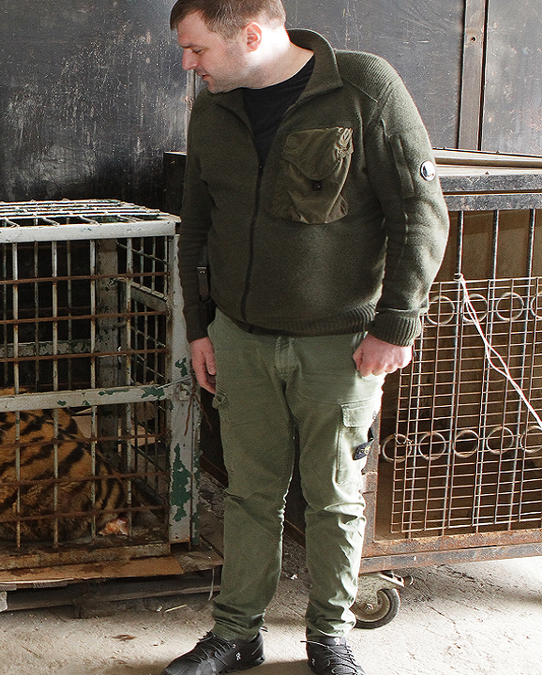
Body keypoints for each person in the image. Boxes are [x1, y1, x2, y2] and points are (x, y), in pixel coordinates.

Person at [164, 1, 448, 674]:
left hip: (342, 344)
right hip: (240, 337)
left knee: (334, 496)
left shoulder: (363, 88)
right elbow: (195, 225)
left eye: (197, 48)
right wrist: (200, 329)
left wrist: (397, 322)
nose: (187, 63)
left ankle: (329, 635)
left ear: (253, 36)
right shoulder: (213, 107)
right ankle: (237, 633)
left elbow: (420, 212)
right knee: (249, 493)